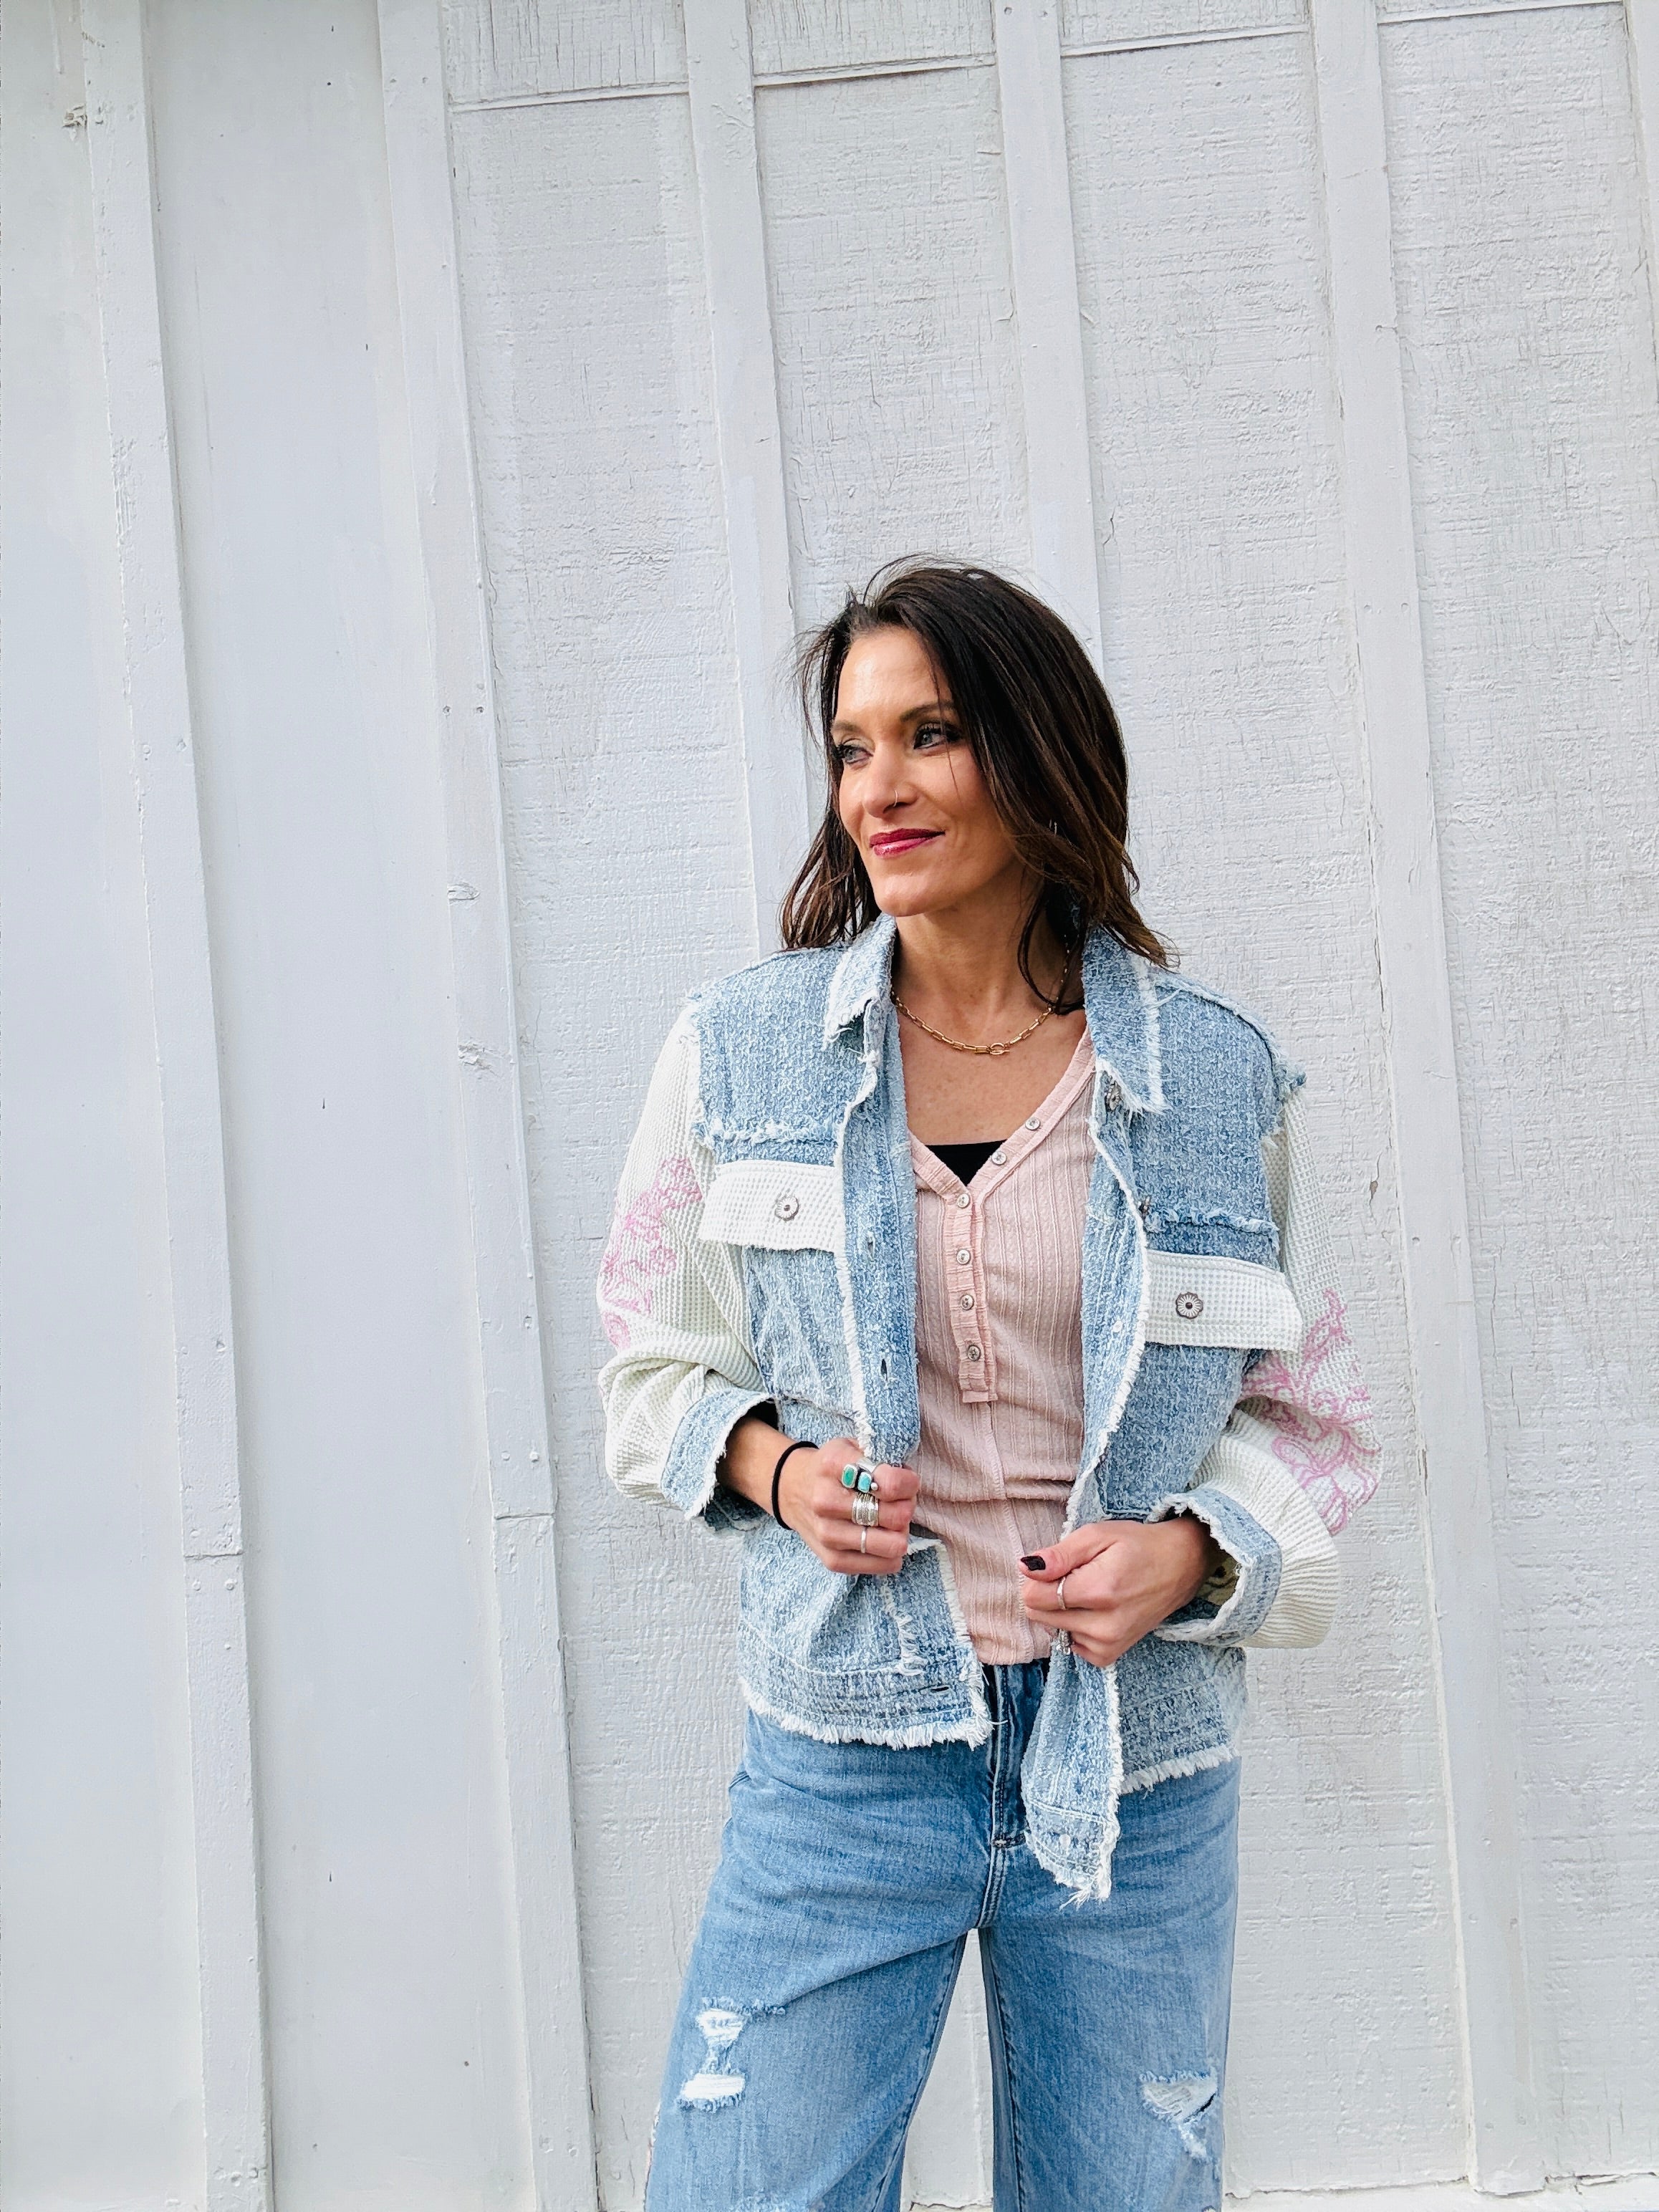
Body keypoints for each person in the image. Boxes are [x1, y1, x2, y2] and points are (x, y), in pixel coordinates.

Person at [597, 562, 1379, 2211]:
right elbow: (649, 1357)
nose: (877, 786)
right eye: (851, 747)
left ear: (1038, 751)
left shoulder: (1215, 1078)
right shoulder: (737, 1054)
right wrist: (774, 1468)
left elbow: (1315, 1420)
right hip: (849, 1740)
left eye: (930, 734)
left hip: (1134, 1763)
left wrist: (1191, 1552)